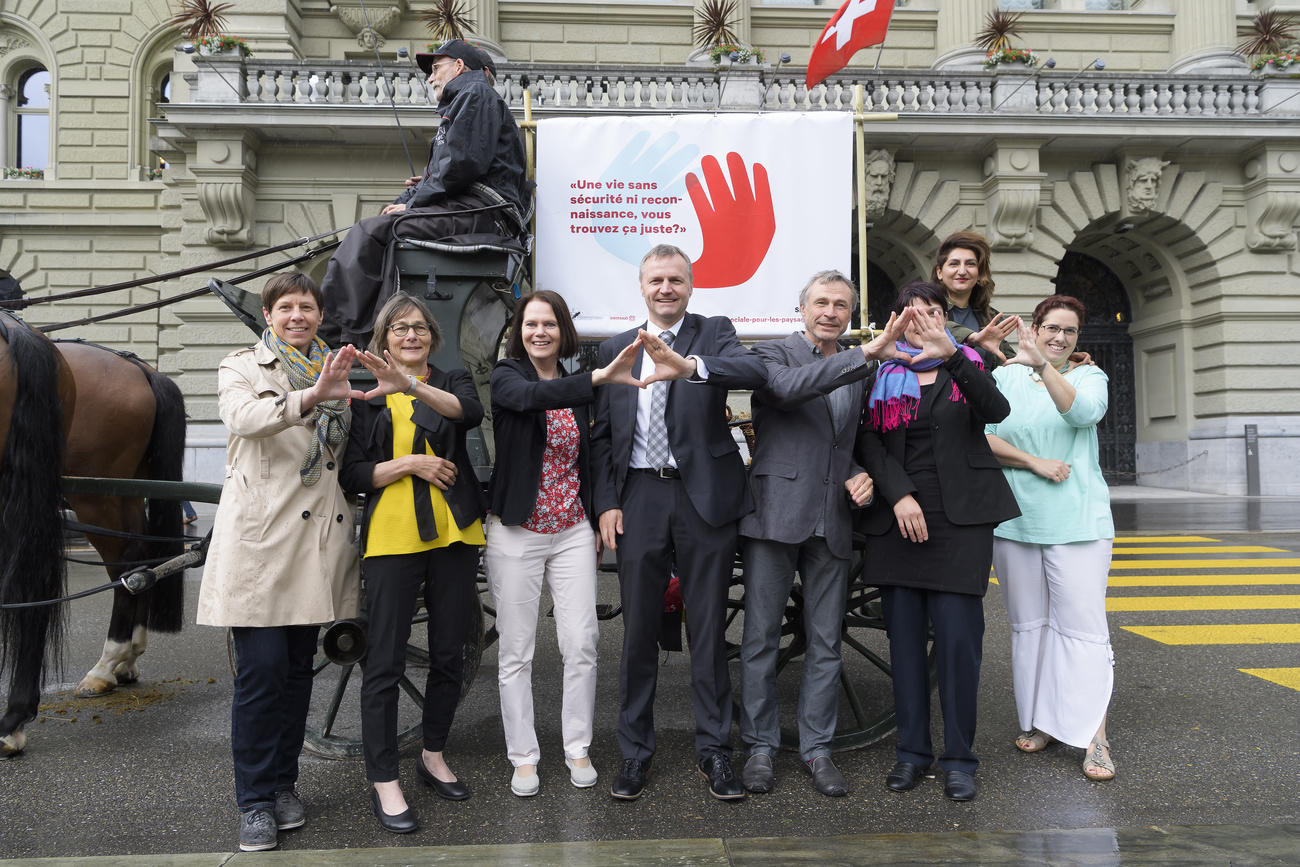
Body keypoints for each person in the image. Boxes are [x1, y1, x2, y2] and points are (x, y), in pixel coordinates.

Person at [590, 243, 768, 802]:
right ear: (641, 287)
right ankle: (634, 753)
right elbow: (600, 437)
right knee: (639, 629)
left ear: (690, 286)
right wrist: (606, 502)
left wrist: (690, 367)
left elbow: (753, 370)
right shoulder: (616, 347)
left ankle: (714, 751)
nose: (666, 289)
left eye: (676, 280)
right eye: (656, 280)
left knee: (709, 629)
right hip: (638, 495)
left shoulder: (712, 332)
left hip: (703, 498)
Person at [196, 272, 360, 853]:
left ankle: (284, 784)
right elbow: (245, 419)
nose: (298, 315)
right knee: (261, 674)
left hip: (315, 545)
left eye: (307, 306)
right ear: (268, 315)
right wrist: (315, 396)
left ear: (319, 315)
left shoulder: (338, 366)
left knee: (294, 675)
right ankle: (255, 802)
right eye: (286, 307)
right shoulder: (242, 366)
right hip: (261, 544)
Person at [737, 270, 912, 797]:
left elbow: (849, 440)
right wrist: (865, 355)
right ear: (802, 307)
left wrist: (859, 472)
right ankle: (761, 747)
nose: (831, 311)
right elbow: (788, 393)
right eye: (821, 302)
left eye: (841, 305)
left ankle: (818, 749)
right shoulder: (773, 355)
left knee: (826, 643)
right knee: (761, 637)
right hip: (775, 511)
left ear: (849, 313)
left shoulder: (858, 369)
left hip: (833, 516)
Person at [855, 280, 1019, 803]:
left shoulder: (967, 361)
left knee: (956, 646)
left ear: (944, 317)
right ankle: (911, 753)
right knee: (904, 647)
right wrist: (899, 494)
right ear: (896, 320)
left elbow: (996, 412)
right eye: (911, 313)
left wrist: (953, 358)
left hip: (960, 523)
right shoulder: (882, 370)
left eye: (932, 311)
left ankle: (959, 759)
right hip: (898, 520)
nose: (922, 320)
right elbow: (868, 440)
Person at [338, 292, 486, 834]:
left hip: (454, 532)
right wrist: (410, 463)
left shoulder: (450, 381)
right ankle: (384, 779)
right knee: (385, 662)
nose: (411, 336)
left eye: (420, 327)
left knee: (450, 652)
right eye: (399, 328)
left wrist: (412, 386)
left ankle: (433, 753)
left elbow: (467, 414)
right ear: (384, 337)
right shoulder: (365, 397)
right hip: (394, 537)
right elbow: (354, 474)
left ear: (432, 336)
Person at [485, 290, 641, 797]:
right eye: (531, 324)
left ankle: (577, 746)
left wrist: (599, 511)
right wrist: (595, 378)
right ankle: (523, 756)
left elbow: (590, 455)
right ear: (519, 330)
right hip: (517, 531)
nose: (540, 332)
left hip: (572, 528)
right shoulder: (509, 376)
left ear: (562, 330)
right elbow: (531, 400)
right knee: (517, 651)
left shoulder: (576, 385)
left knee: (582, 644)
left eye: (549, 324)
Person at [318, 38, 532, 348]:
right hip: (477, 209)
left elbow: (461, 164)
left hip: (479, 213)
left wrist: (414, 203)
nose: (430, 77)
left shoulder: (474, 94)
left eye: (435, 68)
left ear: (459, 67)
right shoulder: (471, 98)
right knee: (381, 227)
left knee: (372, 231)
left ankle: (337, 338)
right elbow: (454, 167)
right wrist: (415, 195)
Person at [985, 295, 1116, 781]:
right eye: (1051, 328)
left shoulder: (1088, 376)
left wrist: (1045, 367)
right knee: (1030, 628)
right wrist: (1033, 461)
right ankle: (1041, 721)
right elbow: (984, 435)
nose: (1060, 337)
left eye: (1070, 331)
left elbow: (1081, 415)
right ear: (1034, 328)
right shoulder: (1004, 377)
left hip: (1078, 522)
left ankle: (1094, 737)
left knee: (1082, 631)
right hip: (1016, 521)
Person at [932, 231, 1016, 367]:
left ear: (979, 273)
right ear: (940, 272)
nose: (962, 271)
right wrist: (973, 337)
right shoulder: (926, 308)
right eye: (954, 264)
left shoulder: (990, 317)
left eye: (970, 264)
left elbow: (1007, 362)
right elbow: (933, 326)